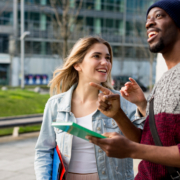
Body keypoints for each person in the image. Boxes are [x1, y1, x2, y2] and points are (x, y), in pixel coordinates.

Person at [86, 0, 180, 180]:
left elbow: (139, 147)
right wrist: (118, 114)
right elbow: (148, 142)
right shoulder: (163, 80)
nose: (148, 23)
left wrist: (132, 150)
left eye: (159, 16)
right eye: (148, 19)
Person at [34, 36, 143, 180]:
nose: (105, 62)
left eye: (108, 58)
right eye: (96, 56)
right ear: (77, 64)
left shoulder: (122, 100)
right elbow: (43, 150)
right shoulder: (55, 105)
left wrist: (141, 105)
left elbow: (143, 142)